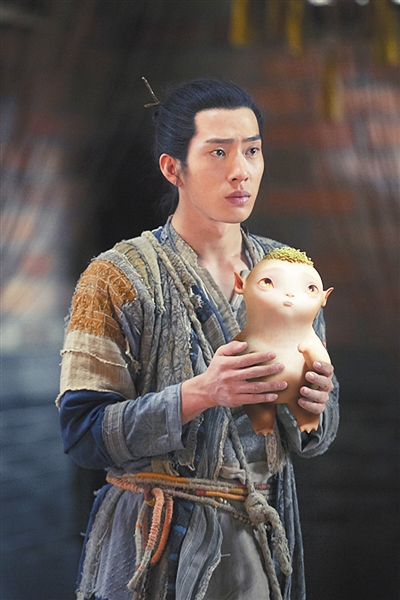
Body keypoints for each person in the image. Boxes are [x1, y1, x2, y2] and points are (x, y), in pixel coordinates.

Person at [58, 77, 339, 600]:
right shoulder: (116, 278)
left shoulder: (289, 271)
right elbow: (82, 433)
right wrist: (201, 393)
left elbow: (315, 434)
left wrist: (314, 405)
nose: (241, 170)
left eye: (252, 150)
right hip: (152, 545)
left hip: (261, 536)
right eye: (218, 152)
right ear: (174, 168)